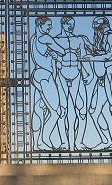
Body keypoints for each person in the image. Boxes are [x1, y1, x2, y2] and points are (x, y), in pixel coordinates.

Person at [53, 16, 93, 149]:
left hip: (77, 74)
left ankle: (79, 142)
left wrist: (88, 73)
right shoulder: (55, 40)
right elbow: (53, 61)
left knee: (82, 111)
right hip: (61, 75)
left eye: (73, 24)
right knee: (61, 111)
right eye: (69, 24)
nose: (71, 27)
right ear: (63, 24)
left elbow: (83, 58)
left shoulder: (79, 40)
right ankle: (64, 142)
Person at [30, 17, 67, 150]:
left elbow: (40, 56)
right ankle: (45, 139)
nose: (50, 28)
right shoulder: (45, 38)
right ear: (40, 25)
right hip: (45, 76)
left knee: (40, 111)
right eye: (48, 25)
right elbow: (62, 51)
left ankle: (38, 143)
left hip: (37, 75)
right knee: (56, 112)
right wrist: (54, 54)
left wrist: (50, 54)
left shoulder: (34, 38)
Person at [89, 16, 112, 148]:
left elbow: (110, 56)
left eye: (98, 28)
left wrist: (91, 58)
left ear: (104, 26)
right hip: (103, 78)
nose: (96, 30)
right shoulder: (101, 37)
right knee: (94, 111)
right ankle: (107, 140)